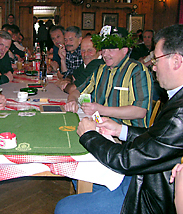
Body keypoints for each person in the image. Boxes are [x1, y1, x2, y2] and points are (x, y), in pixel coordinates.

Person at [56, 24, 183, 214]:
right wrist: (120, 130)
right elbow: (159, 141)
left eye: (157, 59)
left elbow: (128, 157)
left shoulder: (176, 112)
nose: (154, 66)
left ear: (176, 61)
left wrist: (90, 135)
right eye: (103, 48)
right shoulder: (176, 101)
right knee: (79, 173)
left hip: (143, 189)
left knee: (64, 208)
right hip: (140, 167)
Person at [65, 26, 153, 128]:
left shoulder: (138, 71)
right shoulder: (100, 70)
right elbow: (77, 92)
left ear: (124, 50)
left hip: (127, 136)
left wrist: (101, 109)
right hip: (101, 127)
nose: (105, 54)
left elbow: (140, 111)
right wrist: (72, 101)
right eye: (103, 49)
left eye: (110, 49)